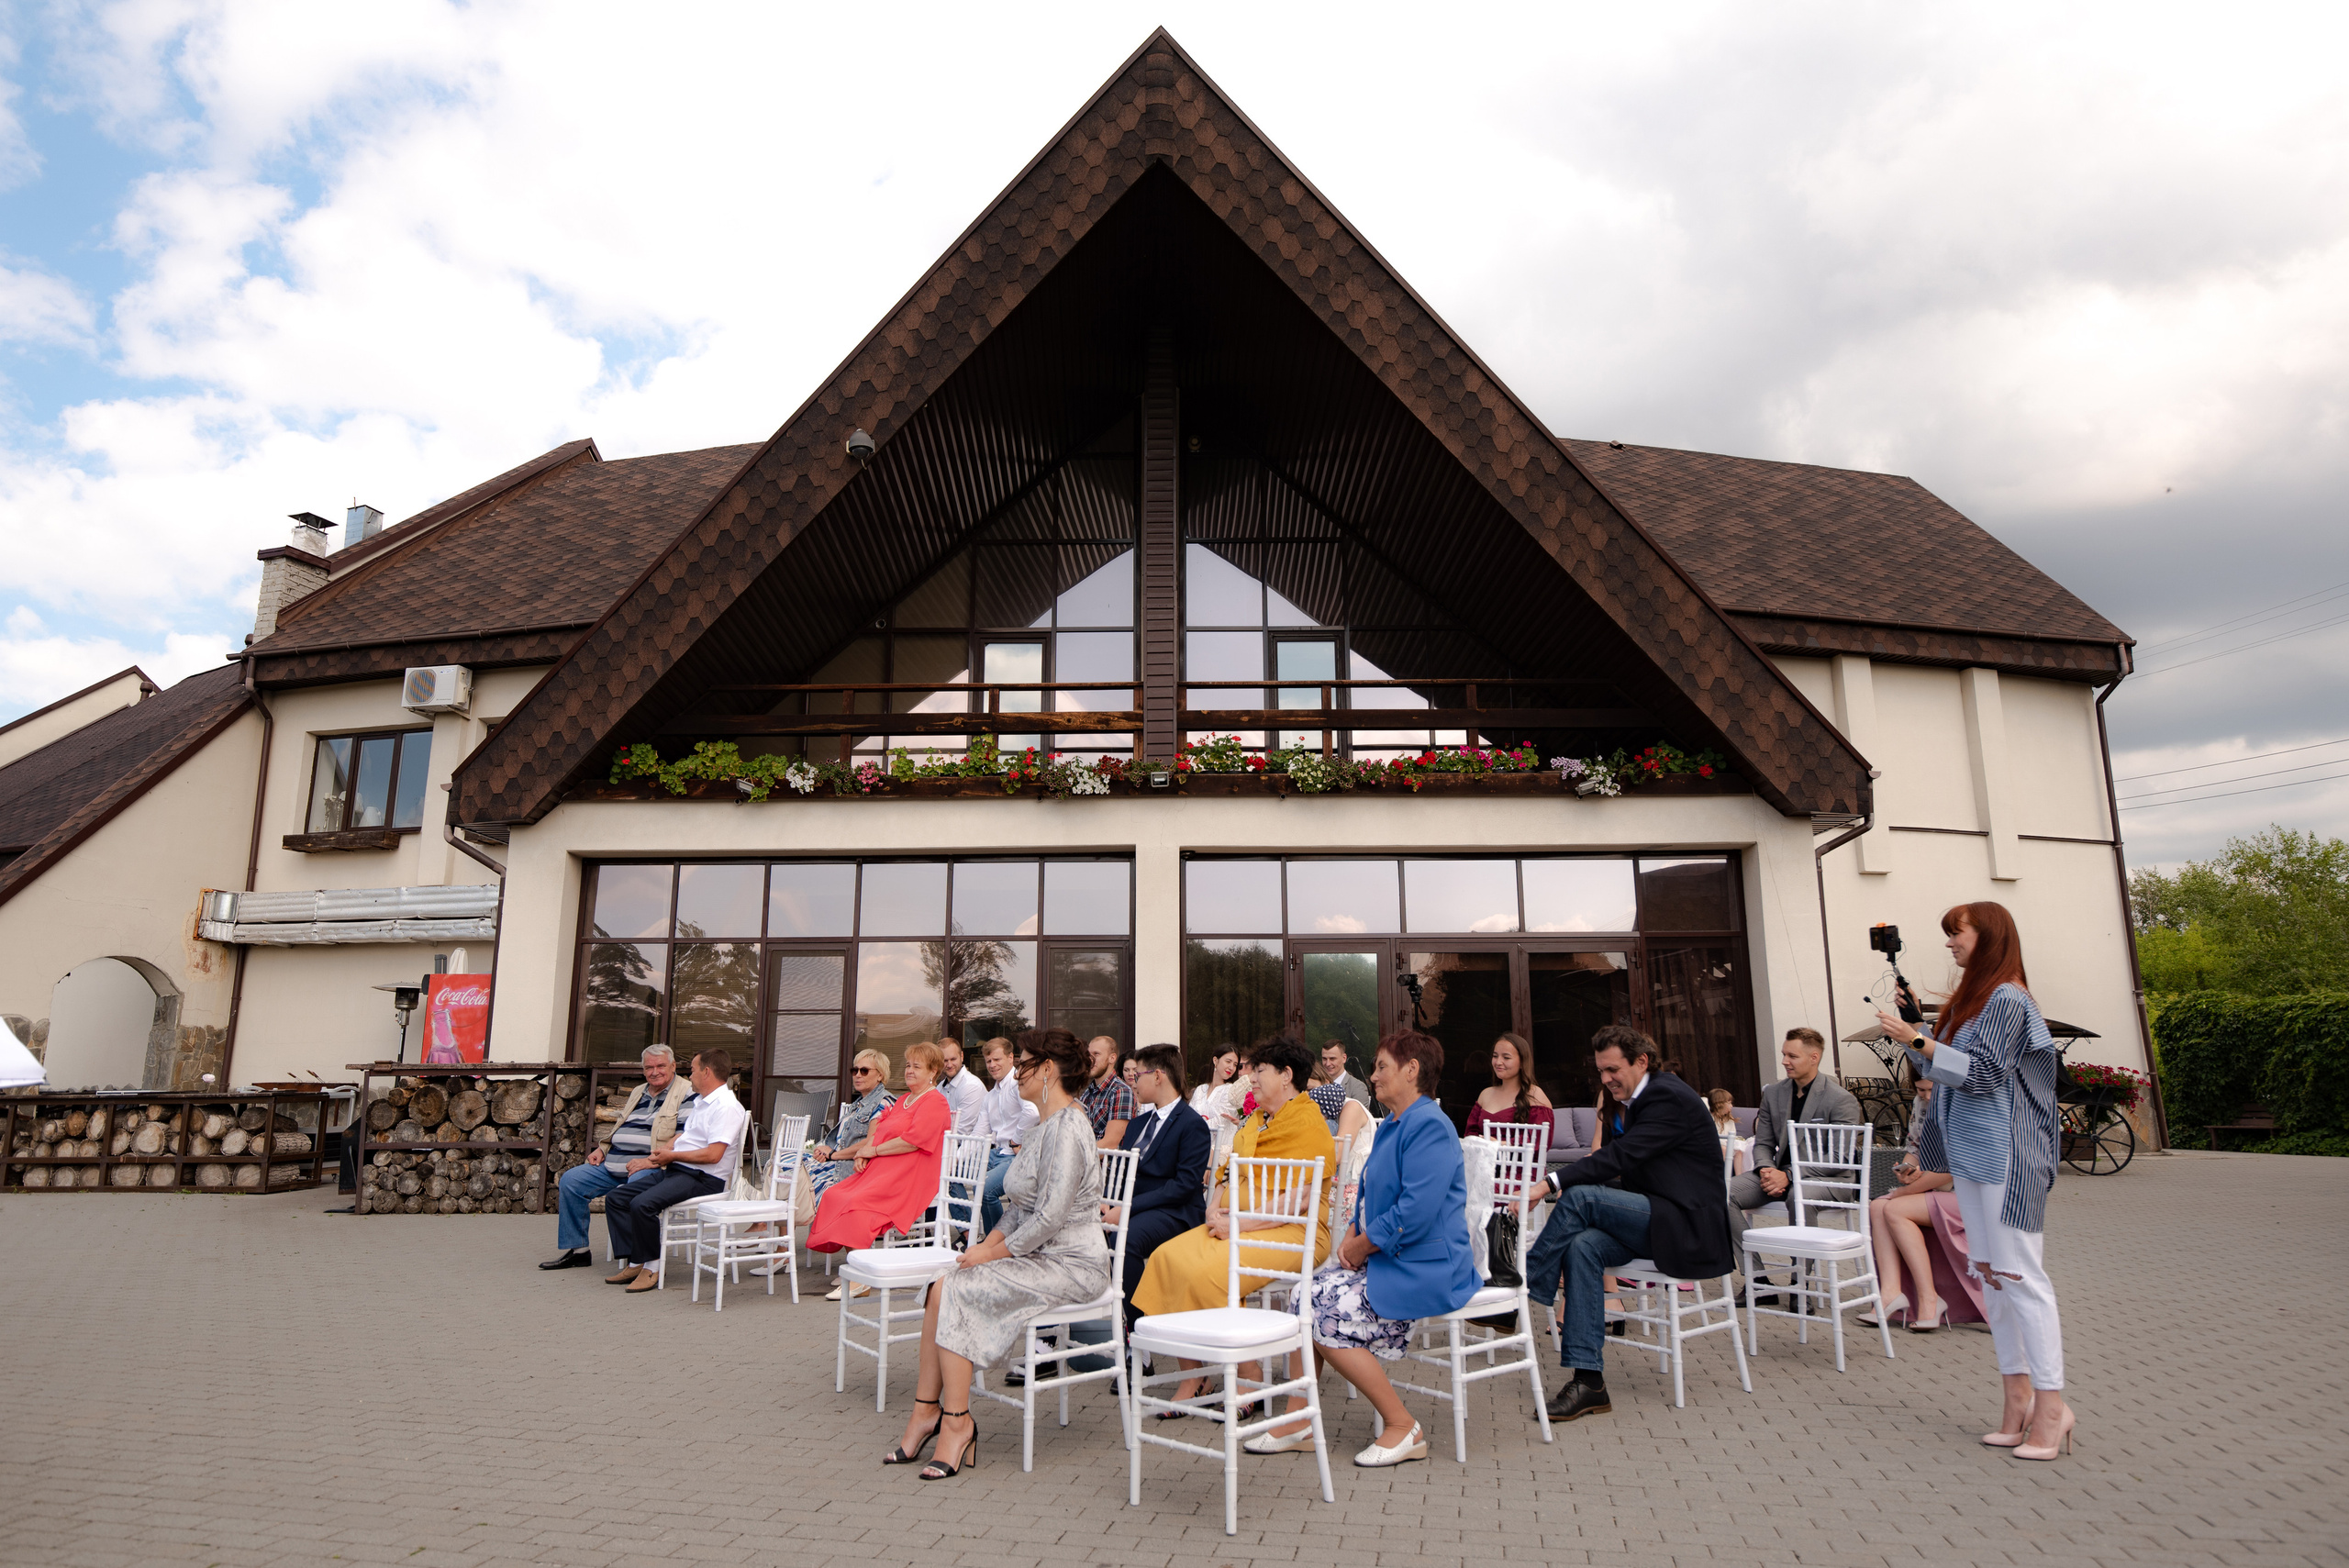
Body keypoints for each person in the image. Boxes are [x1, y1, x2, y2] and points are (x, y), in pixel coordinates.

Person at [1876, 900, 2070, 1460]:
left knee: (2023, 1280)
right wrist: (1921, 1027)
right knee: (1993, 1278)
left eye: (1955, 934)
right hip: (1974, 1160)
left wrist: (1915, 1039)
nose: (1948, 944)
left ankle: (2052, 1411)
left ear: (1987, 937)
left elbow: (1981, 1074)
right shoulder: (1974, 1000)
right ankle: (2017, 1402)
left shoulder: (2008, 998)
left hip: (2008, 1161)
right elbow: (1946, 1071)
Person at [1246, 1029, 1481, 1467]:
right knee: (1302, 1296)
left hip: (1426, 1263)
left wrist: (1361, 1244)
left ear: (1412, 1070)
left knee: (1326, 1310)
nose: (1372, 1077)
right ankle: (1299, 1419)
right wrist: (1357, 1234)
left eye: (1381, 1067)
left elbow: (1416, 1211)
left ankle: (1402, 1426)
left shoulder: (1429, 1123)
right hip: (1390, 1255)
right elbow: (1376, 1195)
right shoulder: (1394, 1123)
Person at [885, 1028, 1109, 1480]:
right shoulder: (1043, 1126)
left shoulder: (1068, 1129)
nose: (1016, 1072)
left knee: (960, 1289)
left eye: (1023, 1063)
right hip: (1039, 1255)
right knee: (940, 1287)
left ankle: (957, 1422)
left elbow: (1048, 1218)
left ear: (1047, 1070)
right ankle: (926, 1412)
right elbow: (1019, 1208)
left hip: (1072, 1263)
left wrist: (992, 1256)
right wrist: (985, 1245)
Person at [1520, 1027, 1734, 1422]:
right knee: (1583, 1245)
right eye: (1600, 1071)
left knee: (1581, 1196)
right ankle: (1589, 1383)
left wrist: (1550, 1183)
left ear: (1641, 1061)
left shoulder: (1666, 1095)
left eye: (1612, 1069)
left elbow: (1623, 1156)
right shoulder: (1641, 1099)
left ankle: (1522, 1287)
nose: (1605, 1079)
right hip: (1657, 1219)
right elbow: (1636, 1172)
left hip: (1686, 1227)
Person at [1130, 1033, 1336, 1407]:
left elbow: (1300, 1197)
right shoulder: (1257, 1119)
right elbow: (1226, 1171)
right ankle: (1195, 1376)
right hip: (1235, 1222)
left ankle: (1249, 1375)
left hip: (1293, 1231)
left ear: (1286, 1075)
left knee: (1210, 1272)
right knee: (1166, 1258)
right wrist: (1215, 1209)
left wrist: (1237, 1225)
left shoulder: (1308, 1121)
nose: (1251, 1078)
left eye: (1259, 1070)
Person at [1729, 1027, 1863, 1296]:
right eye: (1783, 1054)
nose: (1784, 1061)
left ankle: (1800, 1284)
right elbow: (1763, 1141)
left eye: (1792, 1056)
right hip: (1777, 1173)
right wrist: (1767, 1169)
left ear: (1814, 1057)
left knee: (1797, 1196)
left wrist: (1789, 1175)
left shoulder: (1841, 1100)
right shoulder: (1774, 1094)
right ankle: (1758, 1281)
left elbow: (1840, 1159)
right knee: (1721, 1193)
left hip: (1828, 1180)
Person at [602, 1049, 749, 1294]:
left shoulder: (726, 1106)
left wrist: (672, 1155)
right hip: (681, 1171)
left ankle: (654, 1266)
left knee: (642, 1204)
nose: (689, 1076)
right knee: (617, 1198)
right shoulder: (703, 1101)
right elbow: (687, 1137)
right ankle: (637, 1260)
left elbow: (713, 1155)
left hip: (705, 1178)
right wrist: (664, 1152)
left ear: (706, 1072)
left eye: (692, 1070)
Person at [540, 1043, 694, 1270]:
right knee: (571, 1181)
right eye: (649, 1067)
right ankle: (579, 1250)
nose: (654, 1071)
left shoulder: (687, 1092)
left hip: (652, 1167)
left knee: (632, 1190)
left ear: (673, 1066)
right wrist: (603, 1148)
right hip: (612, 1164)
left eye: (661, 1066)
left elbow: (683, 1136)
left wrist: (648, 1161)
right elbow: (622, 1126)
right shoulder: (638, 1091)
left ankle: (639, 1257)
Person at [807, 1042, 953, 1270]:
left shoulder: (935, 1101)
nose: (909, 1071)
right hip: (883, 1169)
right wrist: (863, 1155)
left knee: (856, 1202)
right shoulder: (903, 1100)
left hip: (911, 1174)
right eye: (907, 1065)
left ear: (933, 1071)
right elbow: (880, 1133)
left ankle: (861, 1272)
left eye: (917, 1066)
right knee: (835, 1194)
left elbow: (912, 1142)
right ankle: (859, 1264)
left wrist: (871, 1151)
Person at [1860, 1076, 1977, 1331]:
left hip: (1969, 1195)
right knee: (1877, 1207)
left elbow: (1953, 1171)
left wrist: (1907, 1190)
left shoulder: (1962, 1107)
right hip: (1936, 1188)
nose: (1924, 1096)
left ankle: (1930, 1299)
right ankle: (1889, 1293)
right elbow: (1914, 1147)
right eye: (1919, 1090)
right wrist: (1906, 1170)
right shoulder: (1921, 1103)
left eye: (1929, 1090)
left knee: (1895, 1208)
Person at [1109, 1043, 1211, 1314]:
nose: (1132, 1080)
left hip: (1176, 1212)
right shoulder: (1137, 1125)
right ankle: (1052, 1333)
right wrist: (1108, 1204)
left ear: (1157, 1076)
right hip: (1135, 1208)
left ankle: (1137, 1332)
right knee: (1075, 1232)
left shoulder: (1192, 1125)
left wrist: (1126, 1209)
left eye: (1138, 1075)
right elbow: (1123, 1175)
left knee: (1124, 1239)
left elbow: (1184, 1185)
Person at [809, 1051, 896, 1196]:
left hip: (849, 1168)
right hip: (834, 1160)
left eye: (864, 1071)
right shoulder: (858, 1104)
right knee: (783, 1164)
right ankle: (766, 1214)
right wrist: (819, 1150)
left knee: (800, 1179)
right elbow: (837, 1139)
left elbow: (872, 1142)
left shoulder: (884, 1103)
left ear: (880, 1075)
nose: (858, 1075)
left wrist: (833, 1155)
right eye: (854, 1070)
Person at [976, 1036, 1039, 1237]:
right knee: (955, 1178)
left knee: (985, 1190)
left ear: (1011, 1058)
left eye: (997, 1059)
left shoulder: (1018, 1084)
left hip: (1015, 1155)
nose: (992, 1065)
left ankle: (994, 1242)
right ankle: (970, 1235)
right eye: (988, 1061)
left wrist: (1016, 1139)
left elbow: (1033, 1113)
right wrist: (957, 1159)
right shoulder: (990, 1096)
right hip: (995, 1153)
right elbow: (980, 1132)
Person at [1464, 1032, 1554, 1146]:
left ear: (1522, 1062)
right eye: (1495, 1056)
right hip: (1485, 1161)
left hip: (1520, 1162)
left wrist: (1499, 1144)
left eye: (1506, 1057)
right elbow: (1471, 1132)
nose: (1498, 1062)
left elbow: (1538, 1140)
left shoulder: (1534, 1094)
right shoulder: (1485, 1094)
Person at [1080, 1034, 1134, 1151]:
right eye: (1088, 1055)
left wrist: (1074, 1158)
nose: (1090, 1059)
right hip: (1085, 1163)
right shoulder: (1086, 1093)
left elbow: (1110, 1144)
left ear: (1112, 1058)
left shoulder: (1121, 1091)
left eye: (1096, 1054)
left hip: (1107, 1166)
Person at [937, 1038, 987, 1136]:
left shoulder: (971, 1086)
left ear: (962, 1056)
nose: (949, 1065)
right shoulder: (940, 1087)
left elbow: (962, 1132)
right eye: (945, 1061)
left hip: (970, 1148)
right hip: (948, 1145)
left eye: (953, 1059)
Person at [1189, 1044, 1245, 1128]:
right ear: (1215, 1060)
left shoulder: (1232, 1091)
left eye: (1235, 1065)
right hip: (1196, 1139)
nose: (1231, 1067)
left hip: (1222, 1140)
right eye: (1228, 1061)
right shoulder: (1200, 1089)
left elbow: (1220, 1122)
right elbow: (1189, 1117)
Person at [1319, 1040, 1375, 1118]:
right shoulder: (1317, 1085)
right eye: (1324, 1059)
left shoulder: (1357, 1087)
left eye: (1332, 1059)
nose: (1327, 1064)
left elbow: (1359, 1119)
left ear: (1344, 1058)